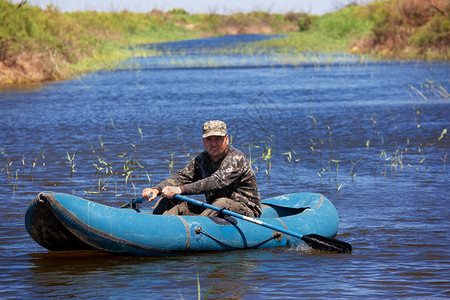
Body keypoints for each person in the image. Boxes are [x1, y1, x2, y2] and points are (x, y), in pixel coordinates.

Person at [142, 120, 261, 217]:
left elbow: (214, 182)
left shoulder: (236, 158)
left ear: (226, 139)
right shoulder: (202, 159)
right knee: (168, 200)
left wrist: (180, 189)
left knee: (222, 202)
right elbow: (182, 177)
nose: (213, 144)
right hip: (214, 208)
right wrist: (157, 189)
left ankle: (196, 230)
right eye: (209, 139)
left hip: (246, 210)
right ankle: (160, 227)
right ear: (203, 141)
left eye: (217, 139)